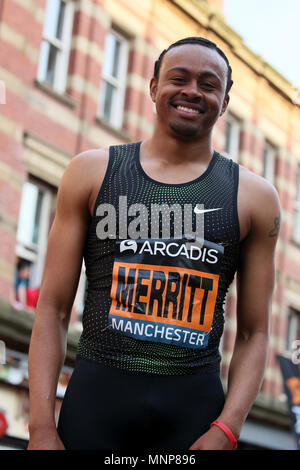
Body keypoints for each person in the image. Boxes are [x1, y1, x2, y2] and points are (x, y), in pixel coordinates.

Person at [27, 37, 281, 450]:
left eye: (208, 83)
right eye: (178, 78)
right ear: (152, 87)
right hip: (96, 401)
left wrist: (227, 428)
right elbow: (53, 308)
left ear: (226, 100)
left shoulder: (254, 197)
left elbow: (254, 333)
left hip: (194, 415)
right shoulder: (92, 172)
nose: (192, 91)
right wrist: (40, 427)